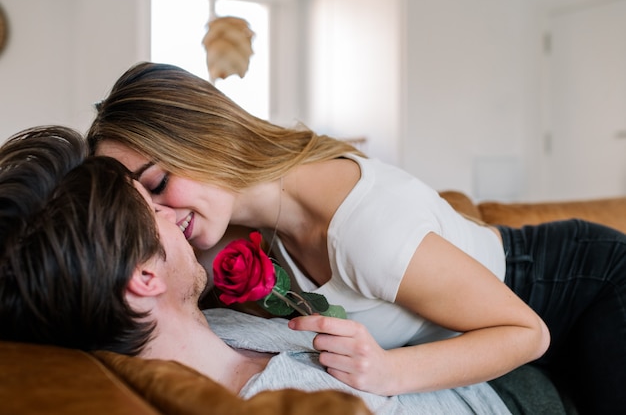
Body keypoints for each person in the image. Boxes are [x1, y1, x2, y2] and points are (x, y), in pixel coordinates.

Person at [86, 61, 626, 415]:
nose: (158, 213)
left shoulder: (362, 229)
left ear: (202, 140)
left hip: (576, 288)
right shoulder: (235, 228)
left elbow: (525, 333)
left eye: (157, 184)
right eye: (141, 205)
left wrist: (388, 372)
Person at [0, 125, 516, 414]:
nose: (173, 217)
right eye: (152, 210)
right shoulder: (296, 406)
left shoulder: (217, 326)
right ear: (144, 280)